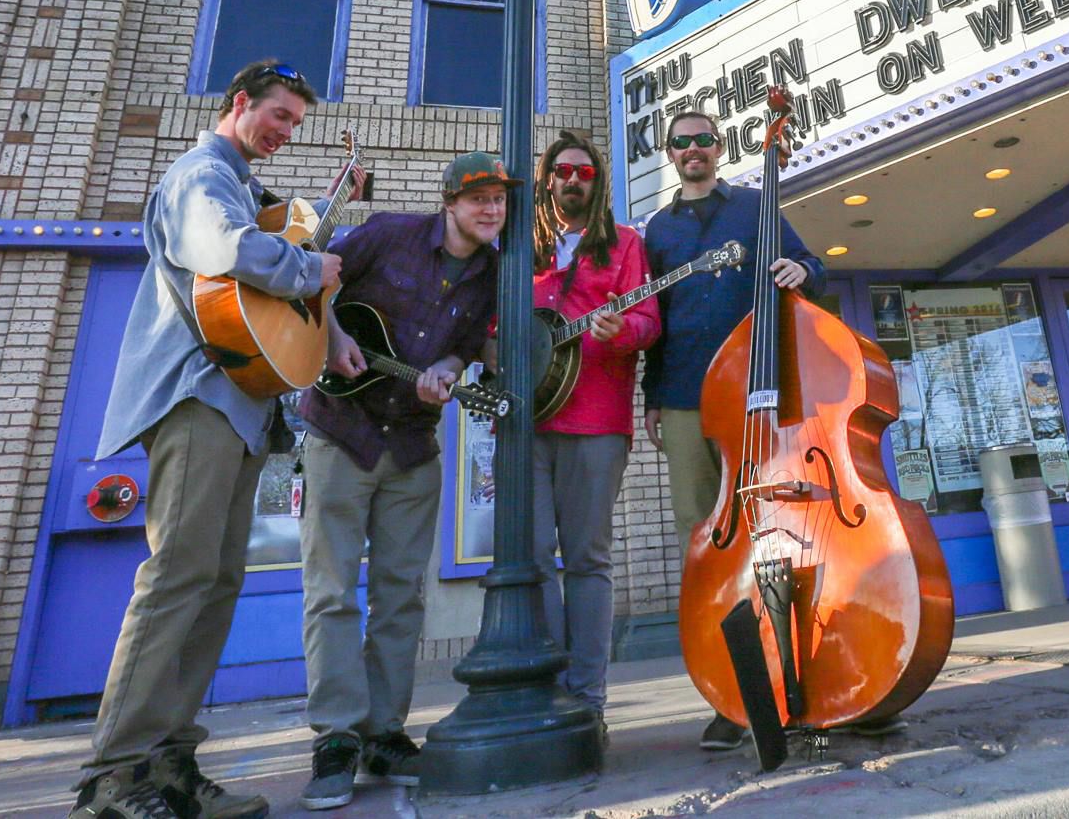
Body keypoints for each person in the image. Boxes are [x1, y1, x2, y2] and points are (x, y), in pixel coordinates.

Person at [73, 60, 338, 819]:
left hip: (240, 405)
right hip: (198, 399)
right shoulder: (200, 173)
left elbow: (260, 282)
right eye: (278, 115)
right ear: (238, 103)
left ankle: (171, 765)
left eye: (294, 123)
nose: (285, 133)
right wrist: (313, 266)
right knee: (178, 576)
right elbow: (225, 252)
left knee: (215, 584)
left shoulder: (249, 191)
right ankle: (112, 780)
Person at [291, 152, 512, 810]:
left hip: (414, 445)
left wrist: (443, 371)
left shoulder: (492, 274)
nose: (491, 209)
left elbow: (466, 346)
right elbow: (313, 282)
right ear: (449, 200)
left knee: (400, 595)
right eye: (478, 198)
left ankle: (384, 729)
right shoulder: (387, 232)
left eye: (498, 199)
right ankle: (335, 735)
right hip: (341, 429)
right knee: (331, 589)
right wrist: (331, 337)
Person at [642, 108, 825, 752]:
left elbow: (811, 265)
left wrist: (803, 271)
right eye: (682, 142)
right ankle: (730, 692)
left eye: (704, 140)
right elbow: (655, 323)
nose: (694, 150)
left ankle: (805, 671)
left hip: (760, 393)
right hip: (687, 398)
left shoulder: (754, 206)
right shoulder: (655, 230)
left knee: (776, 533)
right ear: (670, 154)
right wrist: (653, 398)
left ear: (719, 148)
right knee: (707, 541)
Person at [530, 131, 660, 742]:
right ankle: (545, 688)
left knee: (586, 559)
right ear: (548, 179)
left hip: (595, 419)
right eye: (563, 170)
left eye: (584, 170)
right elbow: (498, 324)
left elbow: (648, 321)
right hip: (526, 422)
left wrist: (620, 330)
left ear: (597, 180)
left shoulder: (625, 245)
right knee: (528, 559)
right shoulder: (522, 247)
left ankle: (586, 700)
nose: (573, 179)